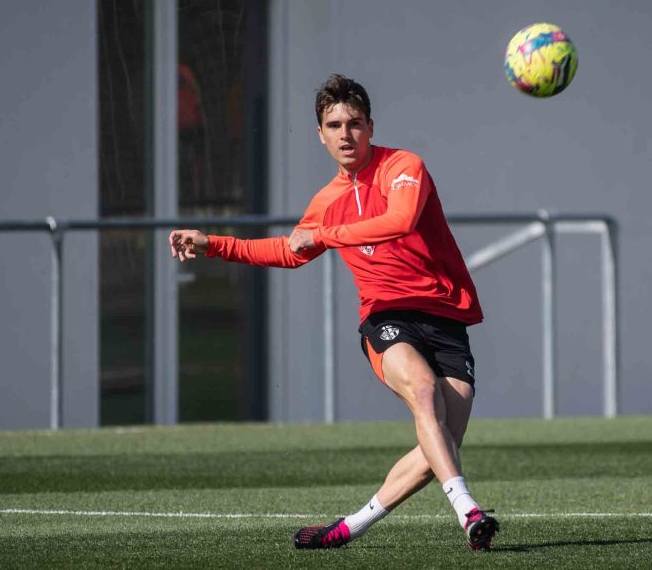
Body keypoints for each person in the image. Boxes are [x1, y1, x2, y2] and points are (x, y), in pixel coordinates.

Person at [168, 74, 499, 551]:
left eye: (355, 123)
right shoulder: (327, 201)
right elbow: (289, 250)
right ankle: (468, 512)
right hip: (387, 316)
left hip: (445, 316)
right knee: (424, 393)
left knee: (442, 444)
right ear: (320, 134)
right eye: (334, 124)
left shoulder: (404, 166)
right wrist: (214, 243)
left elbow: (398, 221)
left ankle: (349, 527)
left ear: (370, 126)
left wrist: (324, 235)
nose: (346, 134)